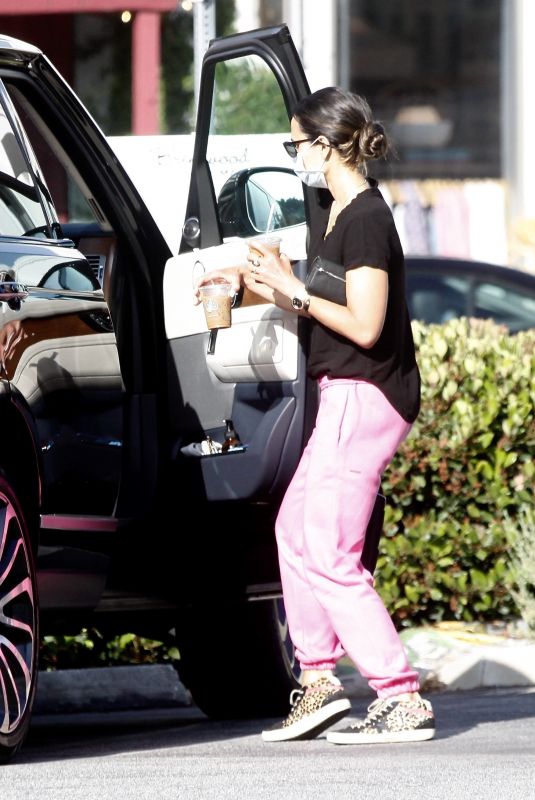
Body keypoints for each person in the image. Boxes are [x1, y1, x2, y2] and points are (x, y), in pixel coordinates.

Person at [193, 86, 435, 745]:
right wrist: (270, 282)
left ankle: (398, 694)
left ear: (324, 146)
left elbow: (364, 323)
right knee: (295, 534)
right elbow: (322, 298)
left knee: (328, 549)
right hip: (342, 393)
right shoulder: (332, 213)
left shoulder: (362, 217)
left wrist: (292, 291)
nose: (291, 155)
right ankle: (319, 681)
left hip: (366, 393)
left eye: (294, 145)